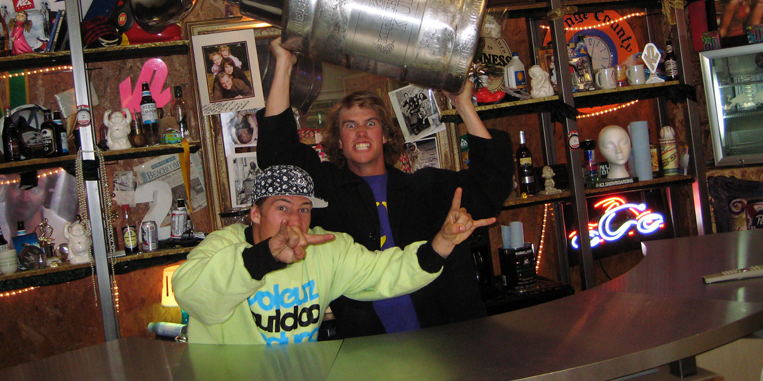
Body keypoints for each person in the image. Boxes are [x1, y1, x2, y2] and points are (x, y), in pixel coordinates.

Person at [256, 38, 513, 338]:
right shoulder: (327, 192)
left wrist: (463, 105)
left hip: (450, 341)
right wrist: (284, 63)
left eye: (371, 123)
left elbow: (491, 184)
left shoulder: (426, 187)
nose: (361, 131)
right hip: (369, 351)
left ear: (386, 136)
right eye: (349, 125)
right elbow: (277, 154)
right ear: (338, 141)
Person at [172, 165, 494, 345]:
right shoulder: (220, 247)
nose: (294, 221)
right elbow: (192, 294)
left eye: (304, 209)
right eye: (281, 207)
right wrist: (266, 256)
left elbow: (386, 271)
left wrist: (442, 242)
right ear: (255, 214)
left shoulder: (325, 248)